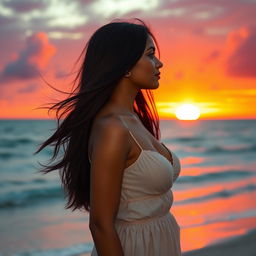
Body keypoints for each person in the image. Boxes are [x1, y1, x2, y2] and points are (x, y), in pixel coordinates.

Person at [34, 18, 181, 256]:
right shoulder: (113, 128)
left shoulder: (133, 119)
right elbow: (101, 225)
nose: (159, 63)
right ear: (124, 65)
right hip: (134, 247)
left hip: (160, 240)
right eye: (150, 55)